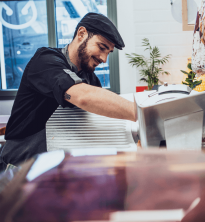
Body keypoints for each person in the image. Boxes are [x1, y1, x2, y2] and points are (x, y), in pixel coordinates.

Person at [0, 13, 137, 171]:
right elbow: (83, 97)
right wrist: (141, 112)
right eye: (101, 47)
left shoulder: (89, 78)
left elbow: (101, 116)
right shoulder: (45, 61)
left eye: (108, 52)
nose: (104, 59)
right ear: (81, 34)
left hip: (53, 169)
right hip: (18, 168)